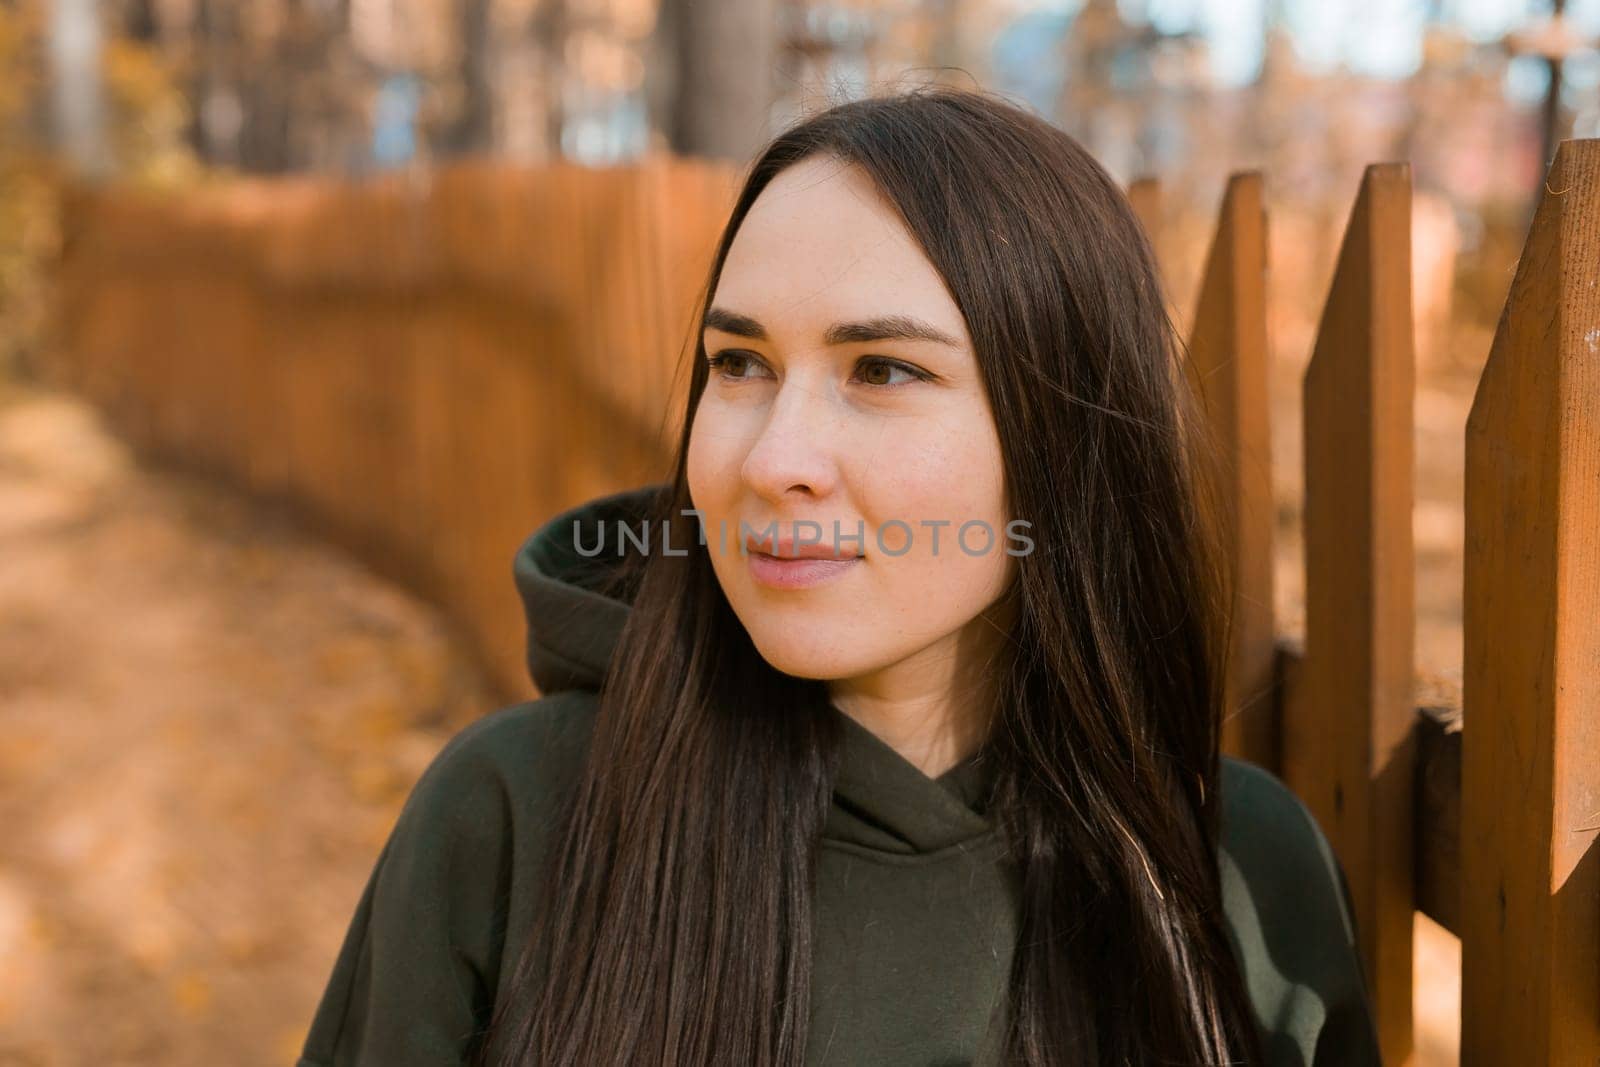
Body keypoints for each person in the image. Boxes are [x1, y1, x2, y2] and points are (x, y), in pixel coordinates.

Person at [295, 85, 1382, 1066]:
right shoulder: (514, 815)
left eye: (883, 369)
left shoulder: (1233, 874)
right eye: (739, 364)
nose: (773, 460)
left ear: (1066, 441)